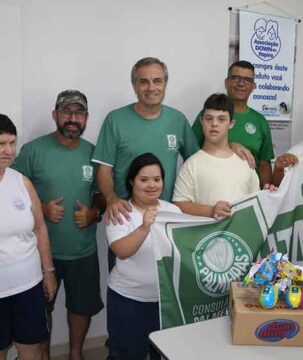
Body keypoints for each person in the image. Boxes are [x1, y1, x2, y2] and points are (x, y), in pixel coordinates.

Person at [12, 90, 104, 360]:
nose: (72, 119)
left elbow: (102, 195)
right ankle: (45, 356)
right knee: (41, 311)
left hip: (83, 250)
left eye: (78, 113)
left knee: (81, 307)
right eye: (66, 112)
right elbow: (10, 195)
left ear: (86, 117)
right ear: (55, 115)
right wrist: (40, 208)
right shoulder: (33, 151)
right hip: (42, 253)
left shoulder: (94, 153)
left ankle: (75, 354)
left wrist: (93, 214)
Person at [92, 57, 199, 226]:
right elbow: (104, 170)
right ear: (134, 86)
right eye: (144, 82)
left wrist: (230, 146)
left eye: (157, 81)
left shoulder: (178, 120)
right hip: (126, 217)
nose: (151, 88)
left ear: (165, 84)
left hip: (166, 217)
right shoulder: (115, 120)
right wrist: (112, 199)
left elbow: (196, 163)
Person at [106, 152, 181, 360]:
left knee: (164, 353)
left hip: (165, 302)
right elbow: (121, 251)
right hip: (128, 301)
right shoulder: (120, 211)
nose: (151, 185)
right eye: (144, 179)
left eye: (157, 179)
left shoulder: (173, 211)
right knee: (127, 354)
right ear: (131, 182)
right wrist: (144, 227)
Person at [0, 114, 56, 360]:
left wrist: (48, 272)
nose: (9, 151)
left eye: (12, 143)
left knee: (30, 349)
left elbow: (40, 229)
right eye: (1, 144)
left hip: (28, 285)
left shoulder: (22, 182)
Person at [173, 93, 260, 219]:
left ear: (231, 123)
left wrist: (272, 194)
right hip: (205, 237)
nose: (214, 124)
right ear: (201, 121)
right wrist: (211, 210)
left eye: (221, 119)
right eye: (209, 118)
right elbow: (179, 204)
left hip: (240, 236)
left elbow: (257, 202)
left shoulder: (245, 162)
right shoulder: (192, 165)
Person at [192, 60, 274, 188]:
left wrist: (266, 193)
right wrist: (228, 147)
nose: (241, 83)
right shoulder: (208, 115)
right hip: (210, 187)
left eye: (247, 80)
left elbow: (264, 164)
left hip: (247, 193)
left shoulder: (260, 121)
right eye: (236, 78)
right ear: (227, 82)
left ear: (253, 86)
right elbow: (191, 151)